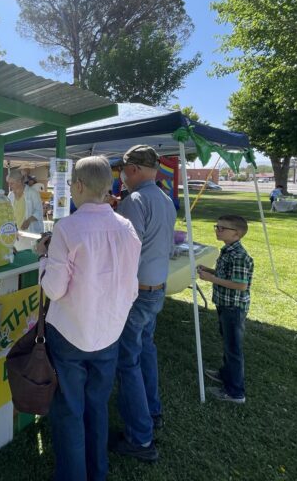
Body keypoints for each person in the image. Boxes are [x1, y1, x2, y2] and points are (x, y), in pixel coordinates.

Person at [35, 156, 141, 481]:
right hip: (109, 331)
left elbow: (53, 289)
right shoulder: (127, 227)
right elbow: (130, 285)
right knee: (97, 406)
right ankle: (98, 472)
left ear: (78, 186)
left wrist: (43, 257)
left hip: (69, 332)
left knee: (69, 410)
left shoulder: (66, 227)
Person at [112, 144, 176, 463]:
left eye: (123, 170)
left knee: (128, 361)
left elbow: (125, 252)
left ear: (133, 169)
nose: (122, 177)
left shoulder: (134, 201)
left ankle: (140, 438)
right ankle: (153, 412)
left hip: (136, 293)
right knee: (145, 349)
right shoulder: (165, 199)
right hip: (156, 289)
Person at [197, 214, 254, 403]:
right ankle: (225, 374)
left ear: (236, 233)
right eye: (217, 227)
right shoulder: (228, 250)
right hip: (224, 304)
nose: (217, 230)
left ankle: (235, 392)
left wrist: (211, 279)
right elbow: (226, 275)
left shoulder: (239, 256)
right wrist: (211, 271)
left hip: (233, 307)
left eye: (222, 228)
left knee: (233, 348)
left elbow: (240, 285)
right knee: (228, 342)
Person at [6, 168, 44, 233]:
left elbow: (39, 211)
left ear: (19, 181)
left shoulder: (33, 193)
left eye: (12, 183)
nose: (9, 186)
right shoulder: (10, 195)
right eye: (8, 183)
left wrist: (28, 221)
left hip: (31, 232)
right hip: (16, 232)